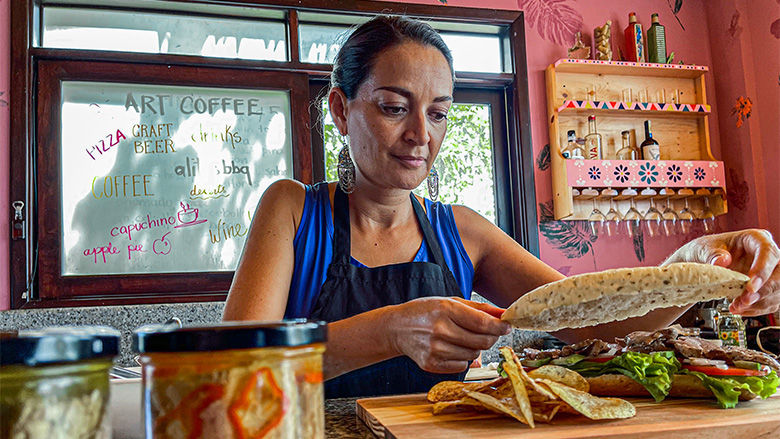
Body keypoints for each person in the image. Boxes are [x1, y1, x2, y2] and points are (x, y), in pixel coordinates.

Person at [223, 16, 780, 398]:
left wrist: (700, 264)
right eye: (394, 107)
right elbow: (230, 368)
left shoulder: (462, 230)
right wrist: (391, 330)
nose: (421, 134)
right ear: (341, 111)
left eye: (439, 113)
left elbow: (598, 319)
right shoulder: (292, 211)